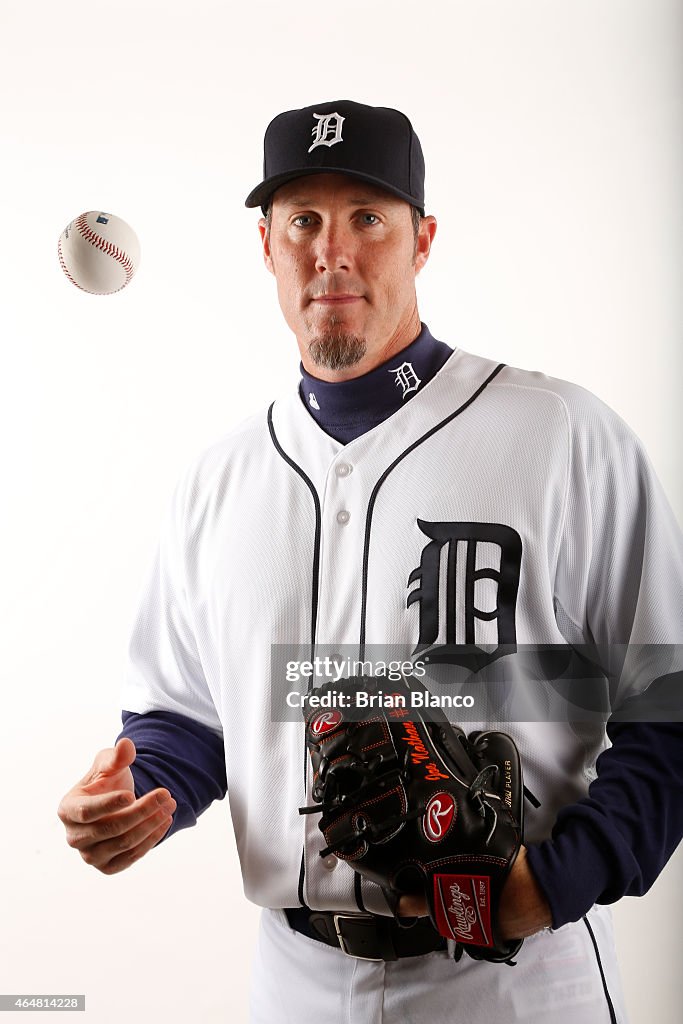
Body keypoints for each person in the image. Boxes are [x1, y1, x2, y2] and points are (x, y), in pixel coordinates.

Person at [58, 100, 683, 1023]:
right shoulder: (219, 479)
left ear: (422, 239)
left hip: (514, 981)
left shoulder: (558, 435)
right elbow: (184, 716)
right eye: (303, 220)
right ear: (264, 245)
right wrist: (141, 791)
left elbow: (668, 702)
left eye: (368, 219)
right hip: (292, 980)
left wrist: (556, 882)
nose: (331, 252)